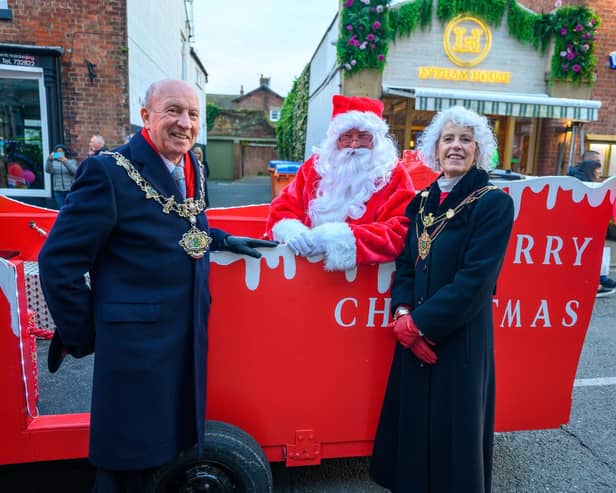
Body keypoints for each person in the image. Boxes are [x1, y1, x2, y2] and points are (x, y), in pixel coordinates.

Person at [38, 79, 276, 492]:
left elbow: (182, 227)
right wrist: (88, 333)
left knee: (167, 457)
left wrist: (221, 239)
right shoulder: (108, 172)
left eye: (193, 114)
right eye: (173, 111)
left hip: (185, 340)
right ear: (146, 116)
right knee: (125, 467)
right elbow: (59, 262)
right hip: (135, 354)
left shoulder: (193, 166)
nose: (185, 123)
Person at [370, 106, 514, 493]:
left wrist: (419, 326)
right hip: (412, 336)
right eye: (448, 139)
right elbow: (405, 267)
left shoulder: (492, 203)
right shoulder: (420, 203)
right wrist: (402, 314)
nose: (456, 146)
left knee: (455, 445)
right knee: (415, 435)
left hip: (458, 343)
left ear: (478, 150)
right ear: (435, 149)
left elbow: (475, 281)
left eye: (466, 139)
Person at [265, 94, 416, 271]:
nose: (354, 144)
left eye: (362, 136)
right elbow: (283, 207)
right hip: (305, 273)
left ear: (375, 139)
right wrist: (292, 231)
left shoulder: (393, 173)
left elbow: (400, 231)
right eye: (347, 136)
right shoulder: (315, 167)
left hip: (367, 280)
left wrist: (338, 239)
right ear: (336, 139)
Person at [568, 150, 616, 296]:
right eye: (597, 164)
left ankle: (599, 279)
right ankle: (595, 282)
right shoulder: (581, 181)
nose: (600, 169)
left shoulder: (579, 177)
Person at [45, 143, 78, 208]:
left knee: (70, 208)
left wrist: (65, 161)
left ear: (65, 152)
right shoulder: (54, 163)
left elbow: (75, 172)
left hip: (70, 190)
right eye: (58, 152)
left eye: (61, 151)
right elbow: (48, 170)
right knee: (61, 209)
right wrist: (49, 160)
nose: (60, 153)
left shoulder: (72, 161)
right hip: (58, 191)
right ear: (55, 153)